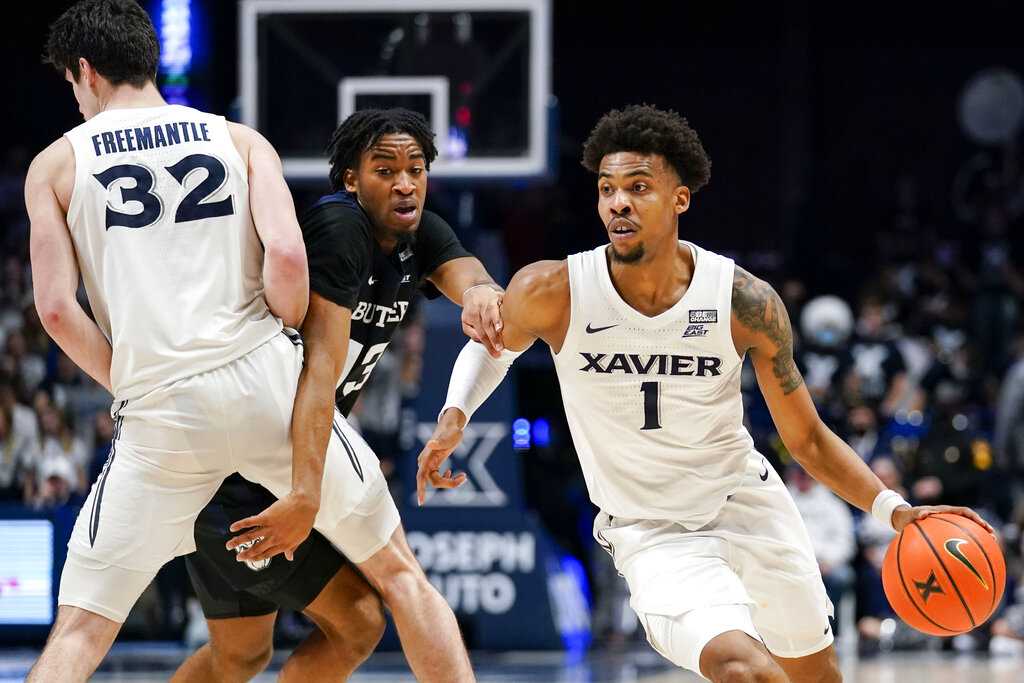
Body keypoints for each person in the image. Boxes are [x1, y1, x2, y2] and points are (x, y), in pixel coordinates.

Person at [417, 104, 994, 683]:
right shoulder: (554, 288)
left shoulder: (745, 301)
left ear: (680, 199)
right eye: (607, 189)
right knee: (744, 670)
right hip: (652, 529)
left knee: (816, 679)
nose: (618, 202)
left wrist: (894, 510)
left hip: (745, 503)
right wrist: (455, 413)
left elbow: (809, 439)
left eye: (639, 187)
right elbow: (494, 346)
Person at [23, 2, 414, 680]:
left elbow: (56, 310)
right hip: (262, 382)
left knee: (82, 630)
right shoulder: (238, 139)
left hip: (163, 412)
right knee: (396, 580)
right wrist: (281, 330)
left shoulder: (56, 164)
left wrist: (127, 379)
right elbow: (289, 262)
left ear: (83, 71)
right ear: (146, 62)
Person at [185, 108, 502, 683]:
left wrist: (480, 292)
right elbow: (318, 369)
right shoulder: (340, 229)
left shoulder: (416, 230)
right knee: (379, 600)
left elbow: (465, 271)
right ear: (352, 179)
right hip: (261, 449)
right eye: (386, 170)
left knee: (242, 656)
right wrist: (306, 492)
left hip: (229, 463)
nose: (406, 183)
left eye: (416, 168)